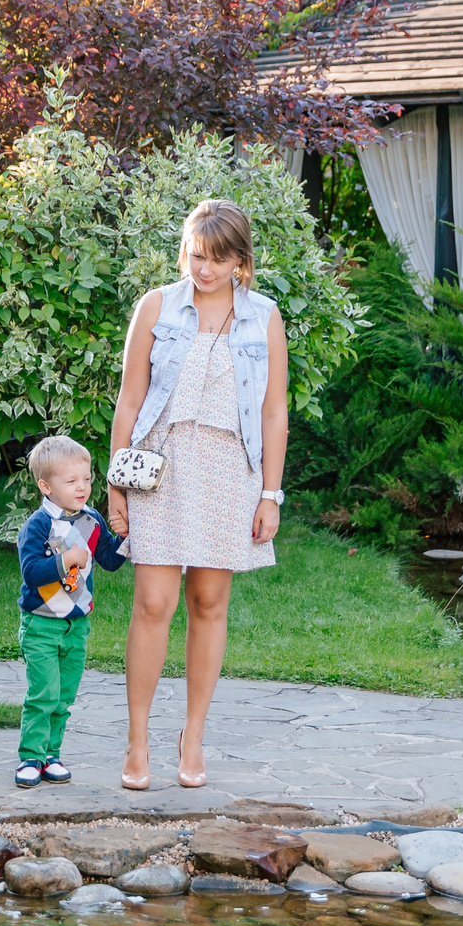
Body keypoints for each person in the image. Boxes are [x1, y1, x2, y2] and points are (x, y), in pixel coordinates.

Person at [106, 199, 289, 790]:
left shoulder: (264, 317)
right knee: (153, 604)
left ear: (241, 260)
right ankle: (138, 739)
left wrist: (270, 495)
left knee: (209, 603)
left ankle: (193, 736)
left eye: (216, 259)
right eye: (194, 255)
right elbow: (130, 401)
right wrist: (116, 482)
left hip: (228, 473)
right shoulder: (156, 306)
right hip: (161, 466)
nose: (202, 269)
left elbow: (273, 411)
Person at [12, 434, 126, 788]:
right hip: (42, 623)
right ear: (46, 486)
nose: (82, 487)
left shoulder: (91, 520)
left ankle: (51, 755)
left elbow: (108, 560)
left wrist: (127, 537)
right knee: (43, 693)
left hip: (77, 624)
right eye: (71, 480)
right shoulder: (38, 526)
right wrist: (66, 560)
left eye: (87, 479)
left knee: (64, 697)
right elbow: (31, 572)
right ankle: (30, 757)